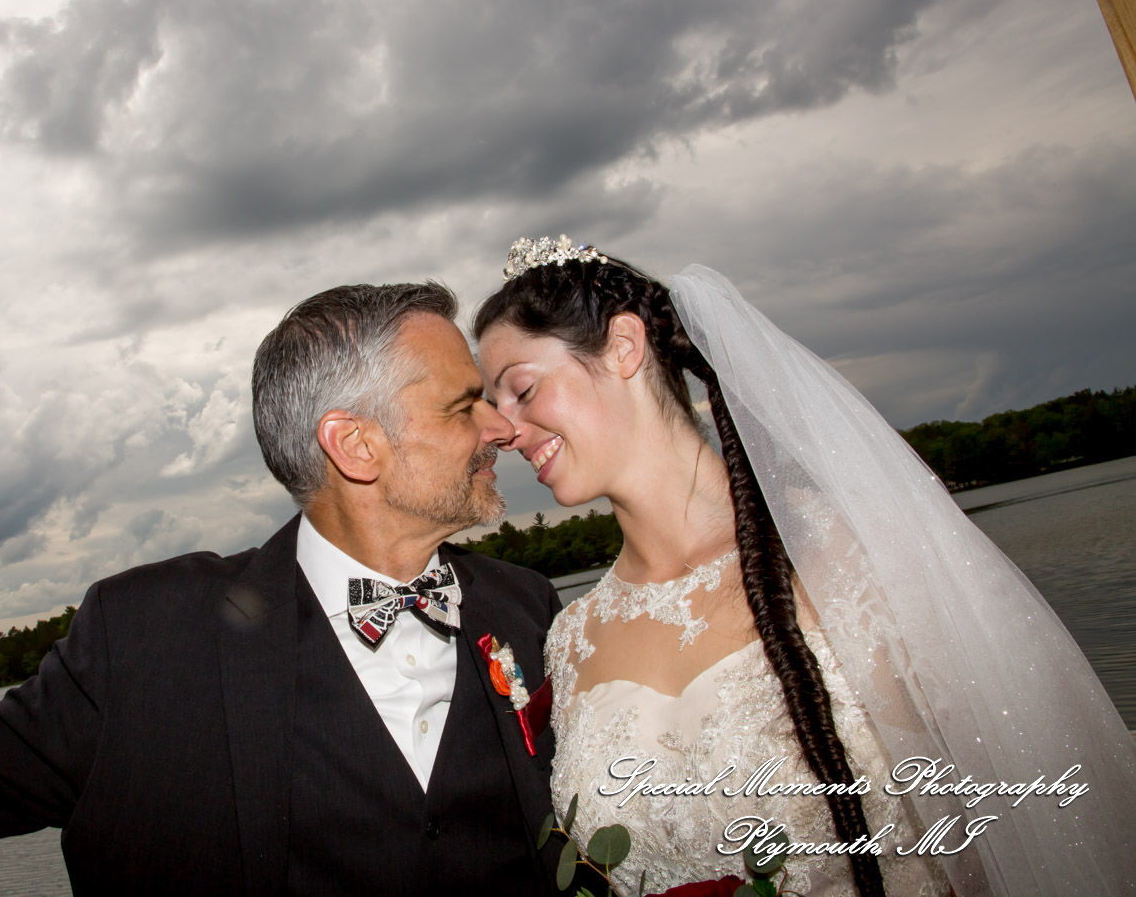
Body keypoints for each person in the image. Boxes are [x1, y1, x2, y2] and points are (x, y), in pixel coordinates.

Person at [0, 281, 566, 894]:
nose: (500, 424)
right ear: (353, 443)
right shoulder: (146, 637)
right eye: (463, 404)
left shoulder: (529, 609)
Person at [473, 237, 1136, 897]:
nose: (501, 430)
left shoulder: (849, 556)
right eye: (492, 406)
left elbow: (1020, 813)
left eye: (522, 390)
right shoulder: (572, 638)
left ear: (624, 346)